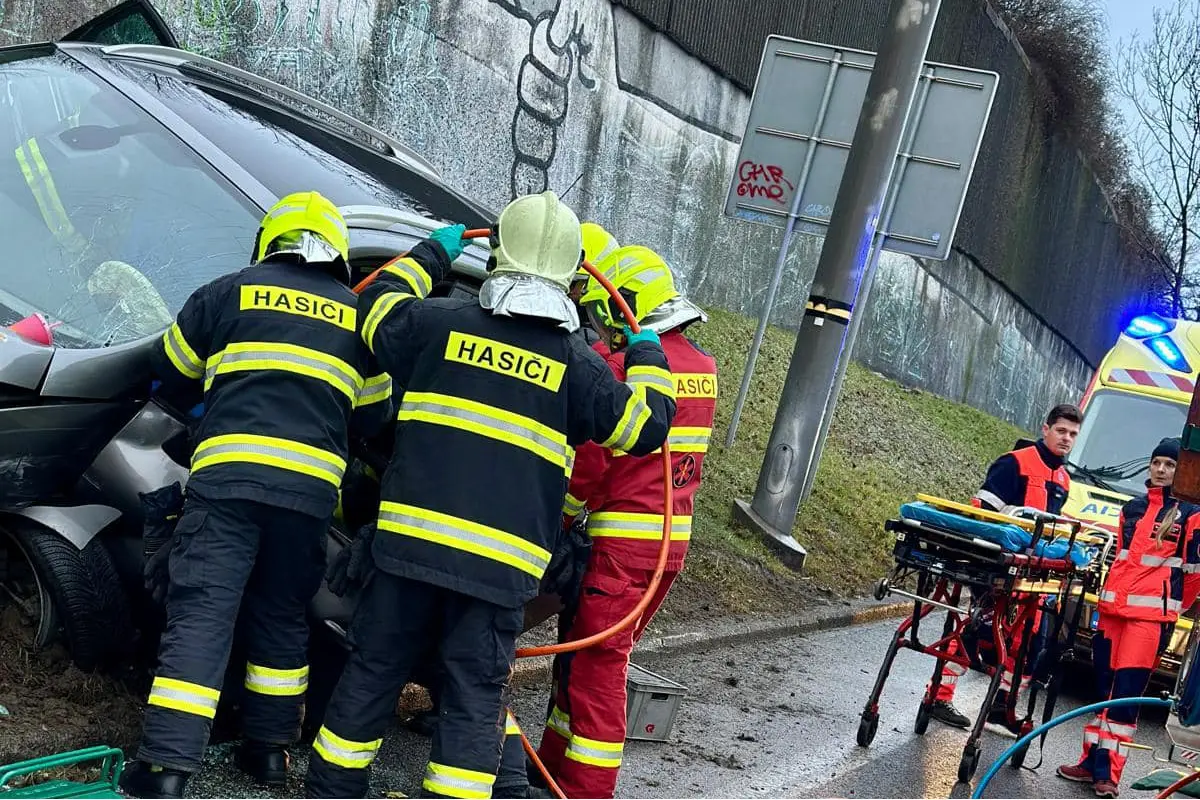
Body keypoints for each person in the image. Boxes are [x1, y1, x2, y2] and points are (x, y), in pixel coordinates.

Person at [303, 191, 677, 799]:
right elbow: (647, 428)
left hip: (407, 556)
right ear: (571, 273)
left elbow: (370, 307)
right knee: (475, 695)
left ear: (498, 254)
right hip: (499, 574)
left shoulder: (435, 326)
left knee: (373, 670)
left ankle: (330, 790)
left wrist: (431, 255)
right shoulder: (580, 371)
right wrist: (646, 353)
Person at [119, 192, 394, 799]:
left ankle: (165, 768)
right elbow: (375, 417)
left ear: (272, 239)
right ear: (336, 254)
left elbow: (170, 367)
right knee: (281, 614)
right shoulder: (357, 316)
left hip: (228, 483)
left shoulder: (229, 291)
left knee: (204, 613)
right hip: (308, 498)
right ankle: (268, 752)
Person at [529, 245, 716, 799]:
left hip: (620, 546)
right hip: (668, 547)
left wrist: (558, 520)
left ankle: (586, 791)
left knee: (596, 672)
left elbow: (589, 464)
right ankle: (550, 770)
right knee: (586, 659)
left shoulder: (622, 371)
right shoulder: (702, 368)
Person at [1058, 437, 1200, 797]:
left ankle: (1109, 775)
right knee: (1102, 692)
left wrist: (1173, 607)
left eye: (1170, 465)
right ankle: (1090, 763)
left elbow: (1195, 571)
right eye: (1157, 463)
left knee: (1125, 697)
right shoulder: (1132, 508)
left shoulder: (1191, 515)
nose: (1161, 470)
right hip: (1112, 614)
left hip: (1147, 622)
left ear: (1181, 470)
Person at [929, 403, 1083, 734]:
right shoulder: (1015, 464)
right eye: (1061, 431)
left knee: (1027, 640)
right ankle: (938, 697)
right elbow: (983, 514)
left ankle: (1002, 704)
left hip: (1031, 571)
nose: (1066, 438)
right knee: (971, 627)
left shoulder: (1063, 479)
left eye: (1072, 434)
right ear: (1045, 429)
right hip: (997, 564)